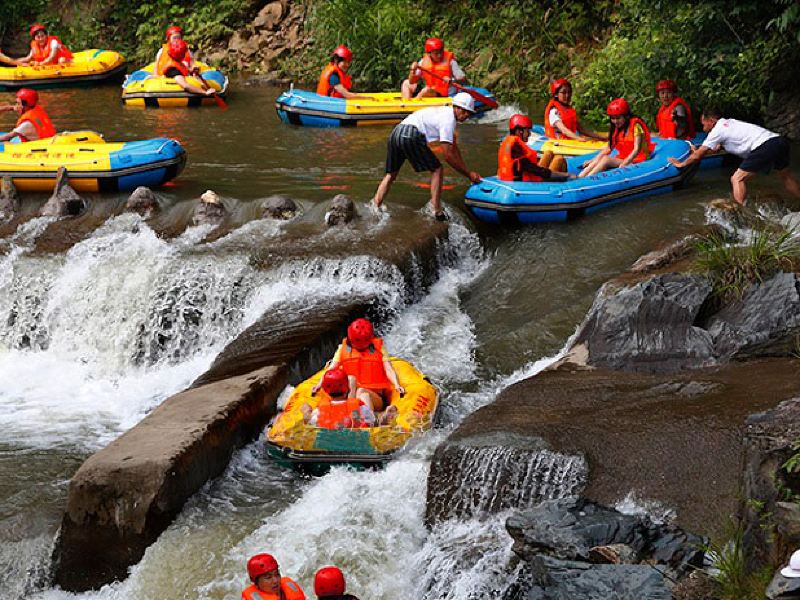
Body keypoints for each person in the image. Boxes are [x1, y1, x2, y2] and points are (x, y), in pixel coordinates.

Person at [372, 91, 481, 220]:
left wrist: (468, 171)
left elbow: (454, 148)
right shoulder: (449, 119)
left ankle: (375, 205)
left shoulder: (443, 112)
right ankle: (436, 209)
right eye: (464, 111)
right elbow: (448, 155)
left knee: (391, 174)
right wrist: (468, 175)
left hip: (396, 132)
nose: (466, 115)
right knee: (437, 169)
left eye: (469, 113)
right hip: (410, 134)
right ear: (456, 107)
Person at [668, 108, 800, 205]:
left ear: (712, 121)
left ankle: (740, 214)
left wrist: (682, 164)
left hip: (764, 145)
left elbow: (698, 156)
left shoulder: (718, 130)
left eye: (704, 124)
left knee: (737, 179)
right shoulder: (730, 123)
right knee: (786, 177)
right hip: (778, 141)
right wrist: (701, 151)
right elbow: (713, 150)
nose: (703, 128)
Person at [312, 318, 403, 423]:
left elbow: (388, 369)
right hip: (351, 397)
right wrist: (319, 384)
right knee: (351, 379)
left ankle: (372, 422)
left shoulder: (379, 348)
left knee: (362, 392)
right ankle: (350, 416)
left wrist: (397, 385)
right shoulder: (343, 349)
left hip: (375, 397)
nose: (360, 347)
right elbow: (331, 369)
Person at [579, 98, 654, 178]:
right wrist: (593, 160)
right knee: (601, 158)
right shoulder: (617, 128)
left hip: (639, 159)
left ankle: (587, 179)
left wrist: (626, 162)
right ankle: (580, 177)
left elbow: (637, 149)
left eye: (618, 118)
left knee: (606, 160)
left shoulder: (636, 126)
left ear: (626, 116)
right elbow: (608, 148)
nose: (615, 121)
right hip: (624, 157)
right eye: (612, 118)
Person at [498, 114, 573, 182]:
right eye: (527, 131)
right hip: (528, 183)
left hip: (524, 175)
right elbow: (537, 171)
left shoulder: (510, 143)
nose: (530, 134)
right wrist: (566, 175)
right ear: (519, 131)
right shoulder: (516, 150)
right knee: (559, 159)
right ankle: (566, 183)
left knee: (548, 153)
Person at [302, 368, 376, 429]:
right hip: (355, 439)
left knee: (308, 415)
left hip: (330, 441)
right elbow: (371, 422)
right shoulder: (359, 406)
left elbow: (311, 424)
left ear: (326, 391)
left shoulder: (320, 410)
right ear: (349, 389)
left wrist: (307, 412)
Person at [401, 38, 466, 99]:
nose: (439, 55)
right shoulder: (423, 62)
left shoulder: (451, 62)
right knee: (406, 83)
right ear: (429, 54)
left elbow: (463, 78)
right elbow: (411, 81)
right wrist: (413, 71)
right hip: (431, 91)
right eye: (436, 53)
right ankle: (406, 106)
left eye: (441, 52)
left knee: (425, 90)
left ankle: (413, 106)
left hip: (445, 95)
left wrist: (451, 81)